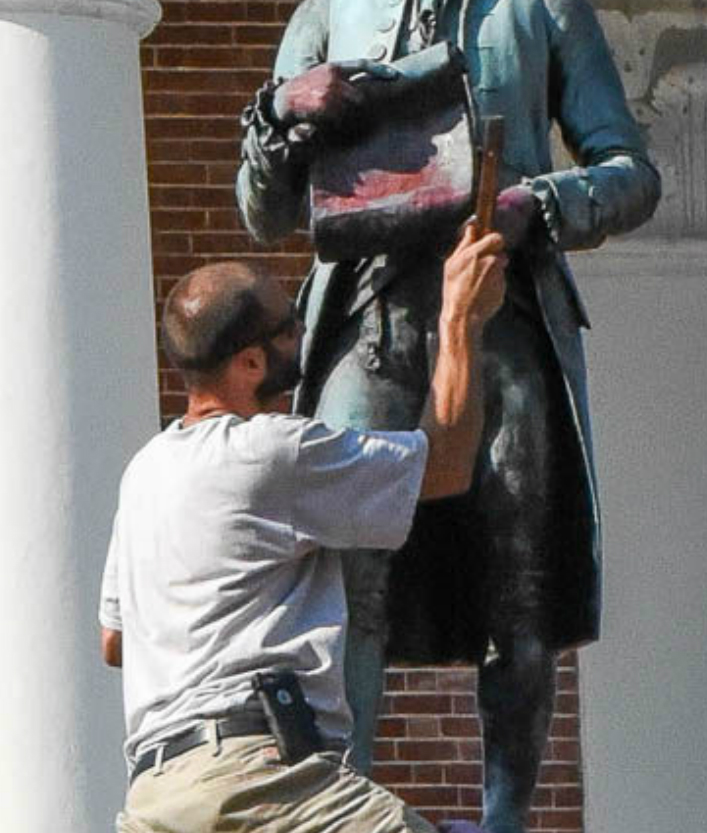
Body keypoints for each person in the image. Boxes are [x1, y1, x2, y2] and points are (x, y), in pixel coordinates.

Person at [235, 0, 660, 832]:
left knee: (520, 590)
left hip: (504, 314)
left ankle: (507, 818)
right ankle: (344, 805)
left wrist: (541, 201)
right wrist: (283, 121)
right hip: (369, 321)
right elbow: (262, 212)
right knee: (348, 576)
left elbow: (630, 169)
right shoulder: (330, 16)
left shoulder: (541, 6)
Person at [99, 222, 507, 833]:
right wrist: (461, 319)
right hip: (258, 779)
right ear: (250, 362)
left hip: (158, 796)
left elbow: (114, 641)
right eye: (289, 325)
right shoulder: (268, 452)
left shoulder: (146, 472)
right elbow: (445, 463)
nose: (305, 332)